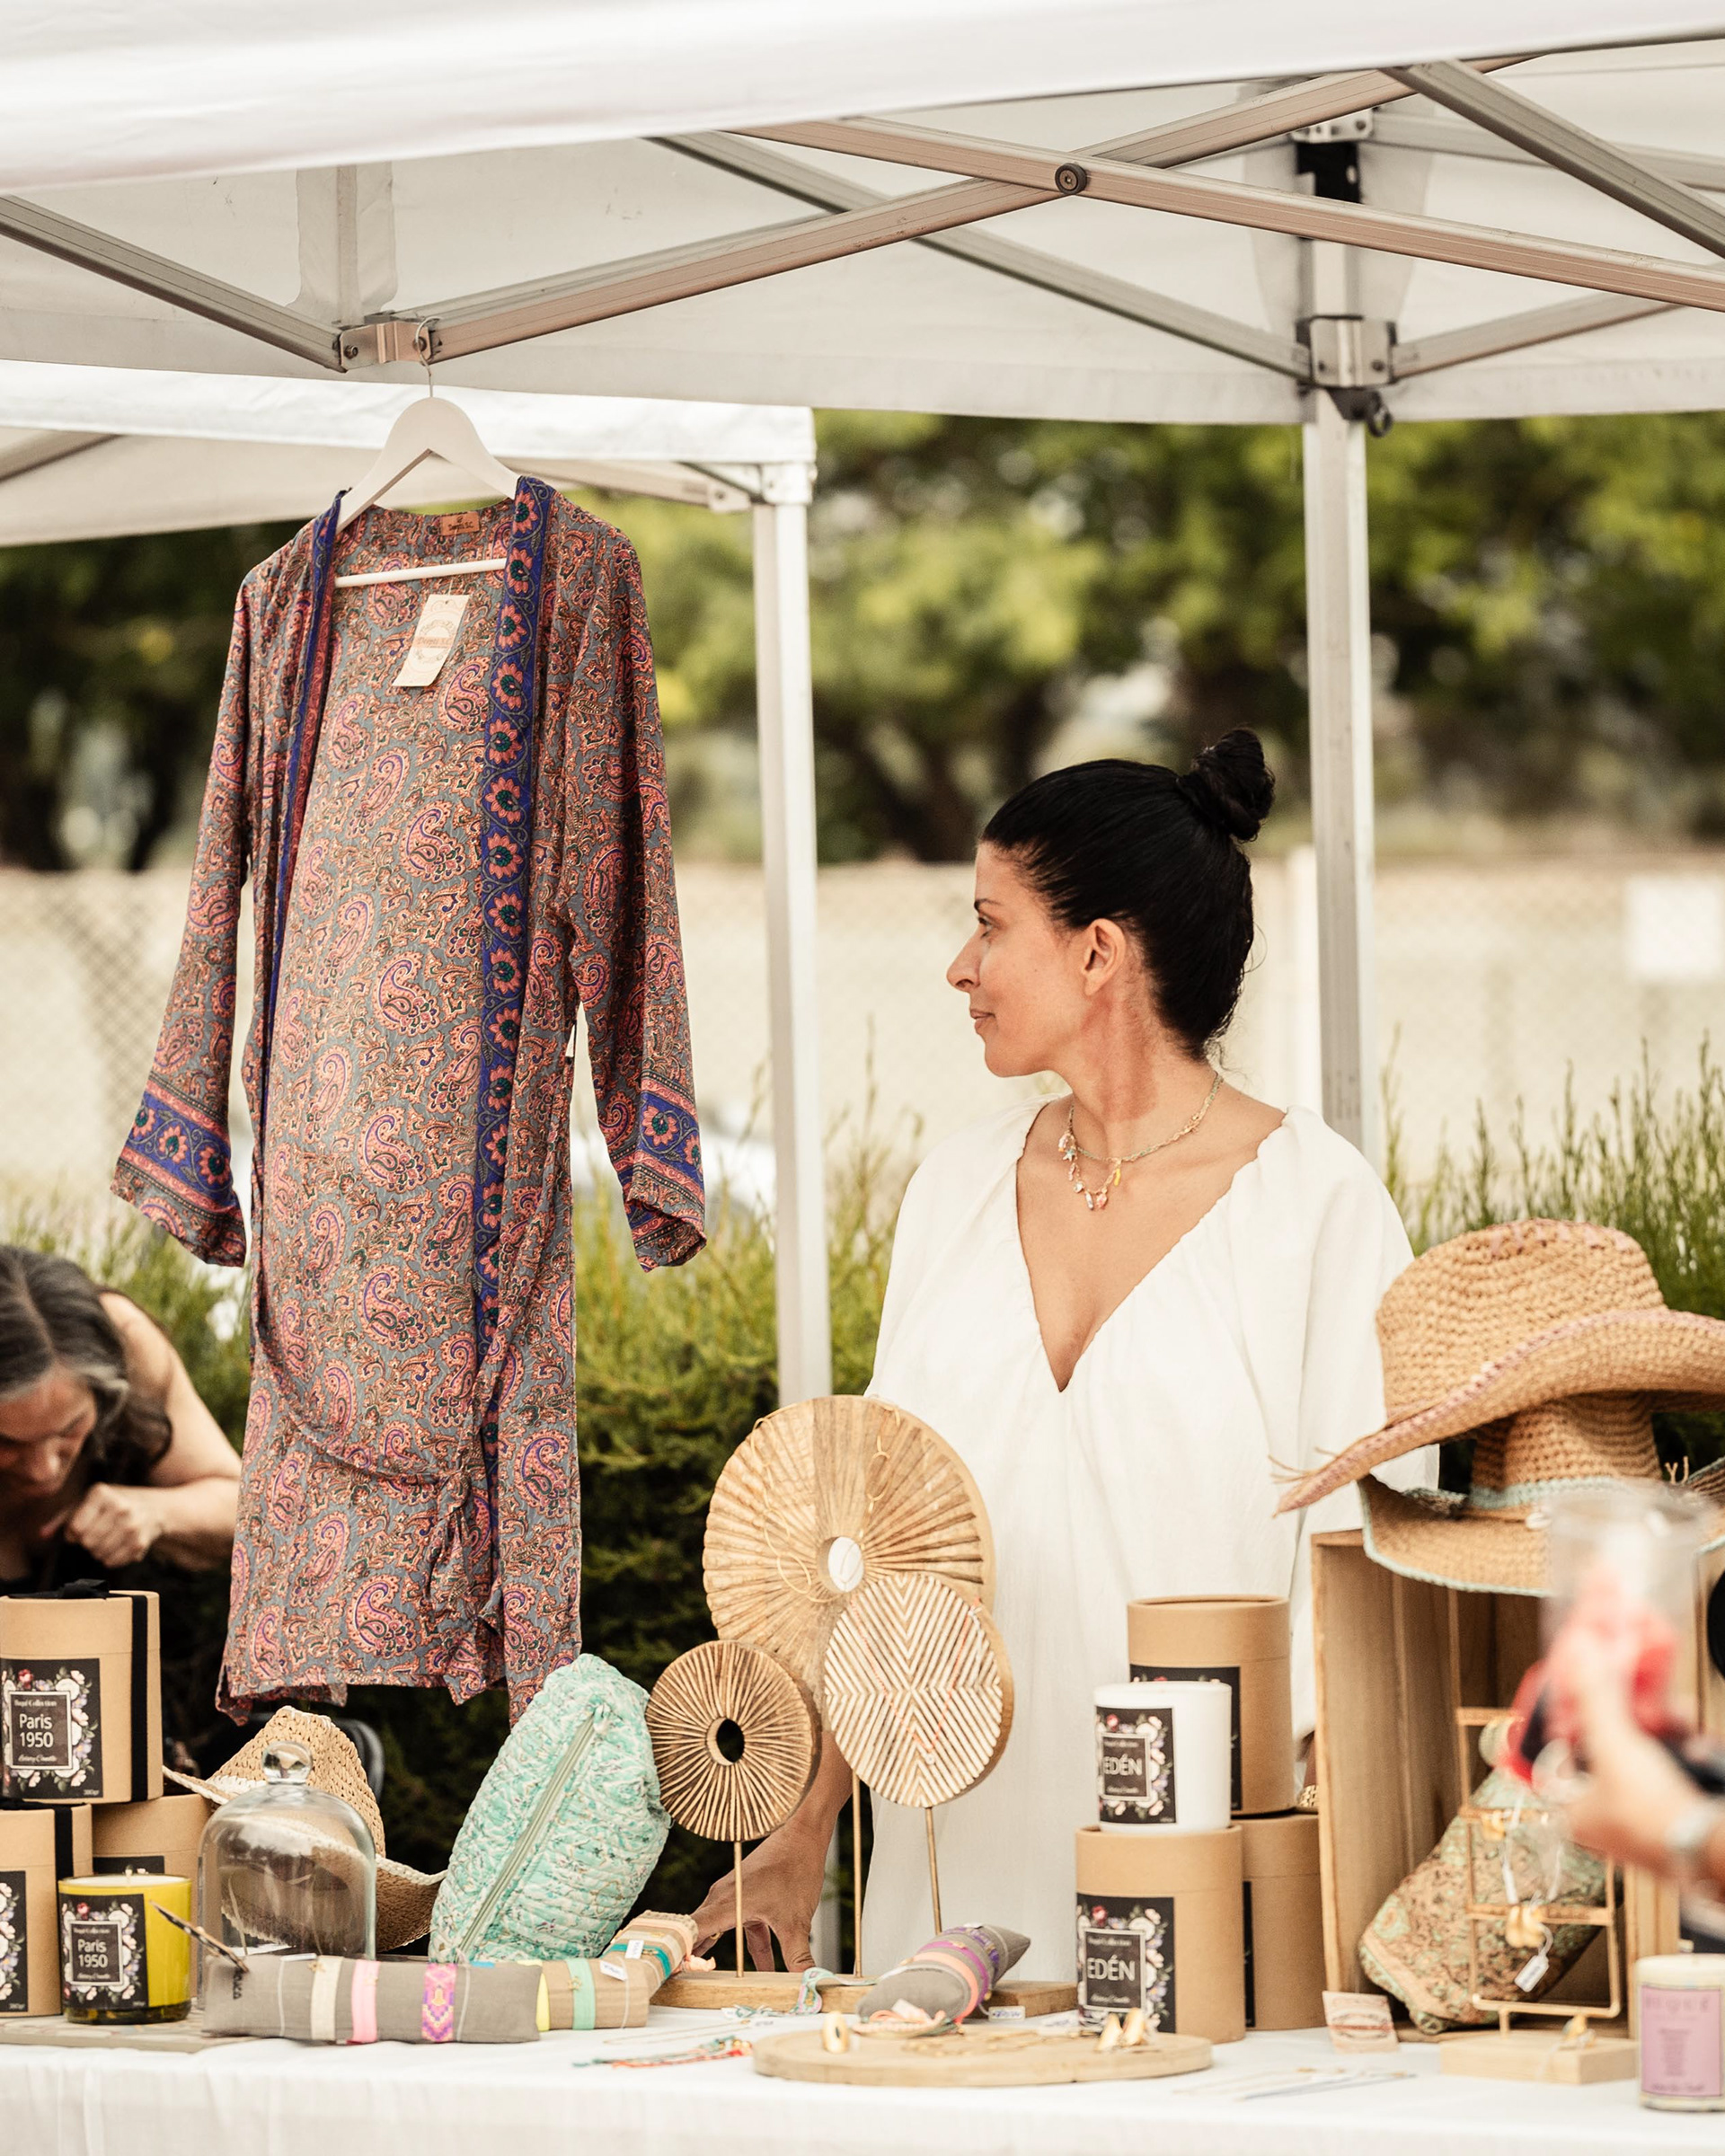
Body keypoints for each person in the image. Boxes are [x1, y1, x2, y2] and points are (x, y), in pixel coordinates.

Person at [692, 732, 1433, 1975]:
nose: (960, 965)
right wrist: (801, 1830)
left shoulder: (1320, 1210)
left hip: (1207, 1914)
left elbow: (1361, 1602)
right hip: (944, 1910)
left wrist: (1301, 1907)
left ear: (1098, 954)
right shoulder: (953, 1191)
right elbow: (879, 1555)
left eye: (991, 925)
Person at [0, 1245, 239, 1586]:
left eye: (70, 1429)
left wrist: (156, 1511)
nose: (45, 1470)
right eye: (7, 1442)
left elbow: (243, 1506)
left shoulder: (127, 1342)